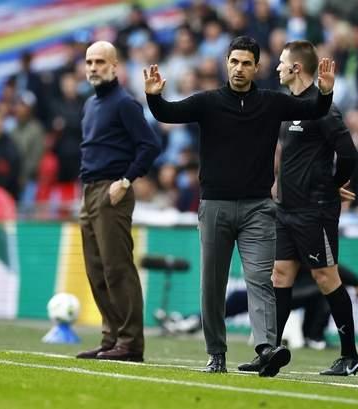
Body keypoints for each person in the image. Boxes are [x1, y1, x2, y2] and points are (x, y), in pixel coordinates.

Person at [144, 35, 336, 376]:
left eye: (246, 63)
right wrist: (154, 96)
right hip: (214, 206)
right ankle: (216, 353)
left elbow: (314, 110)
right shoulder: (208, 102)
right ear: (226, 63)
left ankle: (266, 348)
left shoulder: (271, 103)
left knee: (261, 280)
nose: (239, 68)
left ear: (256, 68)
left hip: (258, 208)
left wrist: (324, 92)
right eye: (234, 61)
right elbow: (168, 113)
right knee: (212, 285)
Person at [241, 40, 358, 376]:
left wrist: (333, 185)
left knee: (326, 277)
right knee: (280, 275)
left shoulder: (323, 108)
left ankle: (350, 355)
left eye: (282, 62)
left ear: (296, 68)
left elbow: (349, 154)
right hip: (286, 210)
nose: (277, 67)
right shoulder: (290, 107)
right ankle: (269, 351)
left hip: (315, 211)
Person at [75, 41, 161, 362]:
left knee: (117, 268)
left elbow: (150, 145)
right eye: (89, 62)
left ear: (114, 66)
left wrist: (125, 181)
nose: (93, 67)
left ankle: (130, 343)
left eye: (100, 62)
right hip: (89, 191)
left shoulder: (125, 103)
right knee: (96, 270)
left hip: (113, 191)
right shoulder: (90, 104)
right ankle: (111, 338)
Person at [160, 264, 358, 351]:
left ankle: (314, 336)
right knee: (236, 300)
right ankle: (191, 321)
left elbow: (333, 269)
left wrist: (356, 282)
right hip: (278, 291)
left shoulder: (309, 250)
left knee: (325, 292)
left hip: (287, 293)